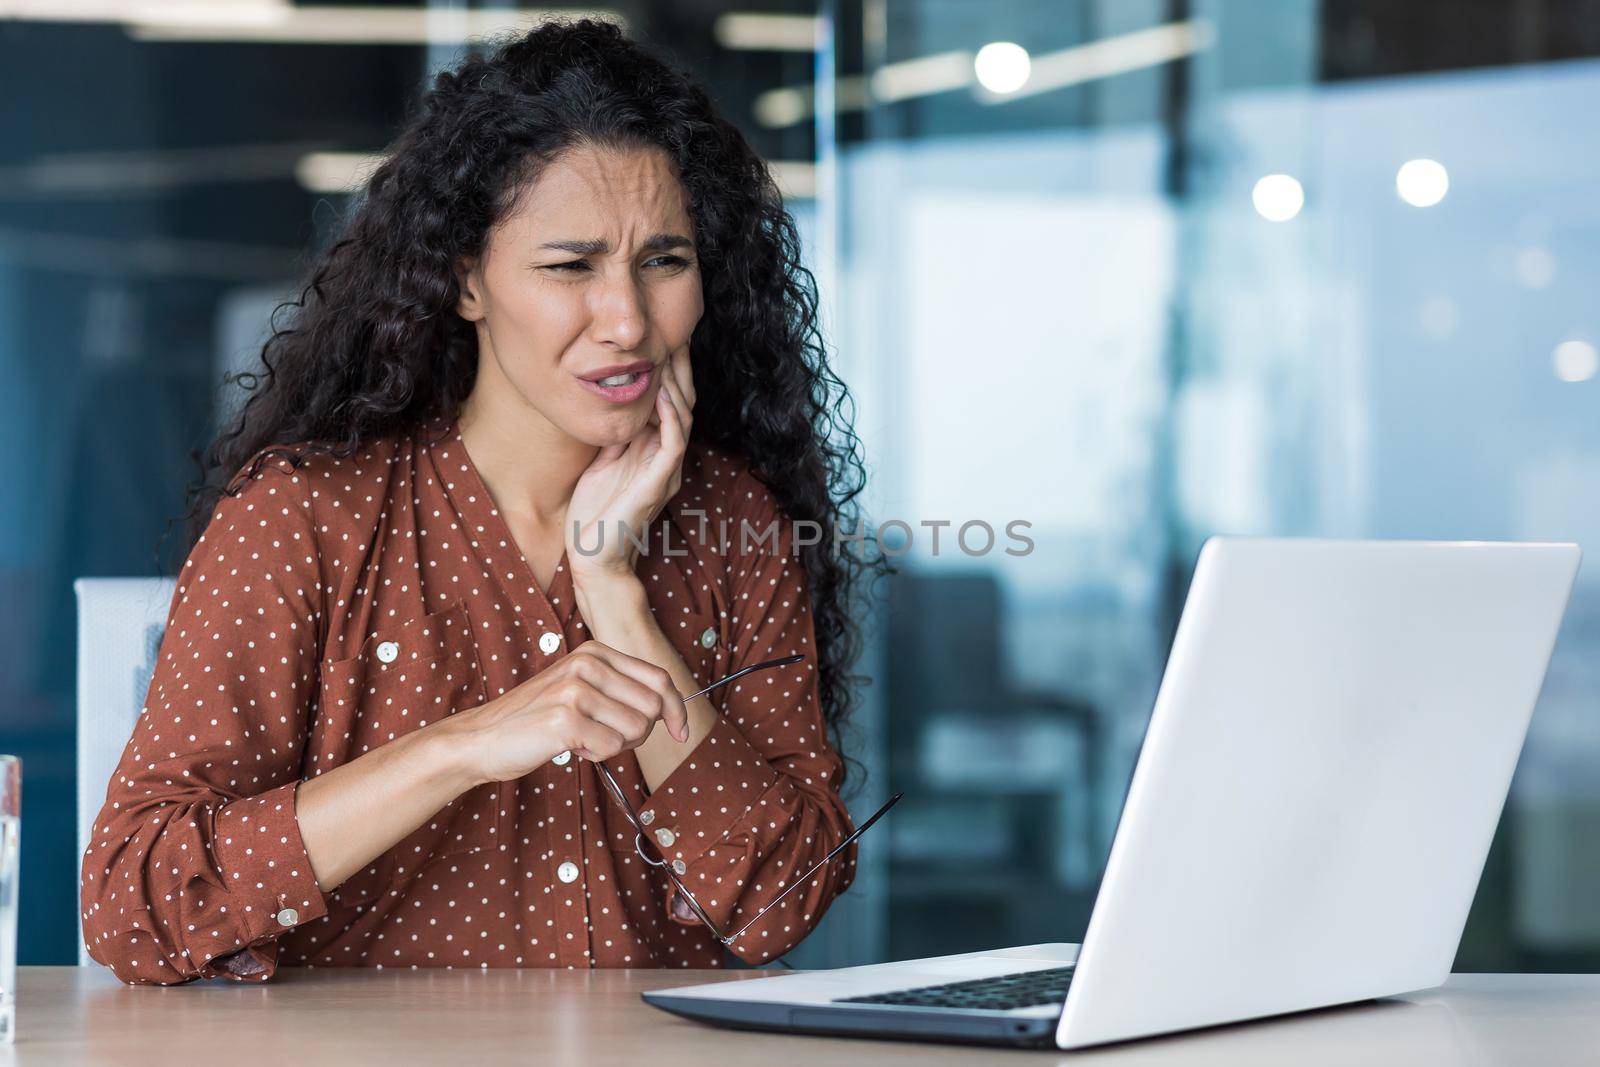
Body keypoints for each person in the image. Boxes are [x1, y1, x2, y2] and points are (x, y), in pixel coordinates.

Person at [79, 17, 879, 985]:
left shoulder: (733, 520)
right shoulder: (303, 517)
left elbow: (780, 903)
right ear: (465, 278)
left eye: (663, 260)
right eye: (569, 266)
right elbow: (134, 905)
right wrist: (461, 745)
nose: (627, 319)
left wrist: (613, 589)